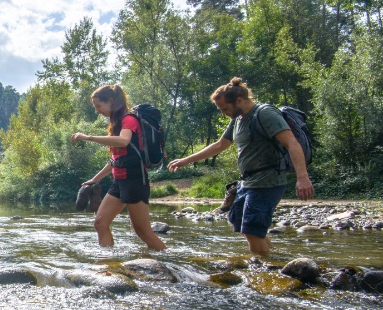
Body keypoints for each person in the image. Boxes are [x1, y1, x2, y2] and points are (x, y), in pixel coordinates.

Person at [168, 77, 314, 255]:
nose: (223, 113)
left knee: (252, 229)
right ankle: (273, 259)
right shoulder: (238, 118)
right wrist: (186, 160)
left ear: (239, 101)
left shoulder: (264, 113)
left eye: (224, 109)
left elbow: (292, 143)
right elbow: (220, 145)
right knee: (239, 221)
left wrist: (302, 177)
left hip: (267, 181)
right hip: (248, 182)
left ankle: (262, 267)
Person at [71, 84, 167, 251]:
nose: (97, 111)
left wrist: (89, 137)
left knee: (143, 231)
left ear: (110, 101)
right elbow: (116, 159)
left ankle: (168, 260)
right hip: (119, 181)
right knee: (100, 223)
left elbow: (123, 141)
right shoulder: (116, 124)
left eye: (98, 106)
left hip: (135, 180)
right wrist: (94, 179)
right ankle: (108, 261)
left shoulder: (129, 119)